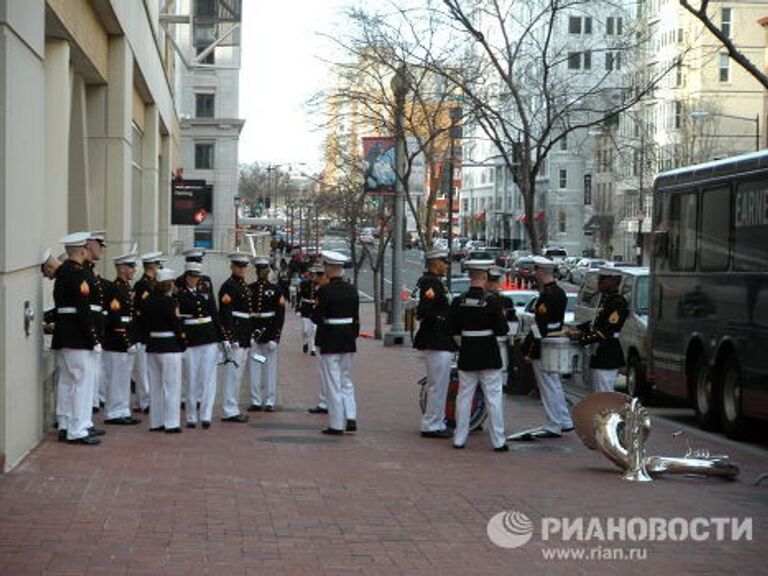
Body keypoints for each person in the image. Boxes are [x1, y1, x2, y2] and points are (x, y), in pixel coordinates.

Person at [447, 260, 509, 451]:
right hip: (489, 352)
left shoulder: (459, 301)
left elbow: (451, 328)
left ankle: (459, 437)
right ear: (484, 277)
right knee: (494, 397)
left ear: (470, 277)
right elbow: (502, 330)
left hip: (468, 352)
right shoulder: (492, 302)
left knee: (464, 397)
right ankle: (498, 440)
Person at [51, 232, 102, 445]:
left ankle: (65, 423)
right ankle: (78, 429)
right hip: (78, 338)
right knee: (82, 381)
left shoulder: (62, 272)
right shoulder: (78, 274)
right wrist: (93, 338)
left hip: (64, 335)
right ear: (82, 251)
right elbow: (83, 310)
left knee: (67, 380)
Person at [518, 257, 573, 439]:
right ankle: (564, 419)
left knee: (548, 385)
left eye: (536, 271)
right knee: (554, 384)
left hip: (545, 343)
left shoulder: (547, 296)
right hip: (554, 340)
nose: (534, 274)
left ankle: (554, 423)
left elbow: (540, 327)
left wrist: (531, 351)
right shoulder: (559, 292)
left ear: (541, 272)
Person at [312, 251, 359, 435]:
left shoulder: (324, 291)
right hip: (348, 338)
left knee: (332, 382)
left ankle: (336, 423)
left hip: (330, 338)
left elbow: (317, 317)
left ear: (330, 268)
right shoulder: (352, 289)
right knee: (346, 379)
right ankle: (351, 415)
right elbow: (356, 318)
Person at [413, 249, 457, 439]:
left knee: (439, 384)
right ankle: (431, 424)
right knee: (437, 385)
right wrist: (443, 318)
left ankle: (436, 421)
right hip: (436, 339)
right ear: (434, 263)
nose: (446, 266)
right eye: (443, 262)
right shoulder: (431, 284)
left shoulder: (436, 283)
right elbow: (423, 311)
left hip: (439, 339)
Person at [177, 261, 225, 429]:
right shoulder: (180, 293)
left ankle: (206, 415)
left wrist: (222, 338)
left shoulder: (205, 289)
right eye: (191, 276)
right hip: (190, 339)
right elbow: (179, 319)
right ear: (186, 277)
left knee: (208, 378)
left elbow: (214, 313)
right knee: (190, 379)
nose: (194, 279)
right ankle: (191, 416)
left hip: (208, 336)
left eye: (196, 276)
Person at [568, 267, 629, 392]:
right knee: (597, 393)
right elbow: (596, 323)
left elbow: (607, 331)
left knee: (604, 394)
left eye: (603, 279)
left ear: (613, 281)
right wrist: (579, 328)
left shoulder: (618, 303)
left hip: (608, 354)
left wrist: (582, 338)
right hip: (600, 354)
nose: (599, 282)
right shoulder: (606, 300)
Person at [142, 268, 185, 433]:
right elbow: (176, 324)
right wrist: (182, 343)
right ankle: (171, 422)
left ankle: (155, 421)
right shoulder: (170, 303)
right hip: (169, 346)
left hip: (153, 345)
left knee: (155, 386)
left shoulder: (147, 302)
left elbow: (143, 324)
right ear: (168, 285)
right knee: (172, 386)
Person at [102, 251, 141, 425]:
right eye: (131, 266)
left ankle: (123, 409)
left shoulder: (126, 287)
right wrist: (126, 340)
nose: (134, 269)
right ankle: (113, 412)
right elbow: (116, 318)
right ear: (121, 268)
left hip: (127, 337)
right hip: (117, 340)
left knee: (124, 377)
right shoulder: (115, 288)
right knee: (116, 378)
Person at [218, 251, 254, 423]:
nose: (241, 269)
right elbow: (226, 314)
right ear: (232, 266)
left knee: (238, 374)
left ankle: (233, 407)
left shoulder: (244, 286)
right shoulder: (228, 286)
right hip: (236, 334)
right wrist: (229, 337)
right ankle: (228, 409)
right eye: (238, 266)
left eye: (243, 266)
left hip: (245, 333)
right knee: (232, 373)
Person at [248, 255, 286, 412]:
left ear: (268, 270)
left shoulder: (276, 290)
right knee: (254, 367)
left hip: (269, 332)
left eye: (264, 269)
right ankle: (255, 400)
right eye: (258, 270)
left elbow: (280, 315)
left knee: (270, 369)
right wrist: (248, 335)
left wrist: (276, 337)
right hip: (254, 333)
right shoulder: (249, 289)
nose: (261, 272)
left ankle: (270, 400)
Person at [132, 252, 164, 413]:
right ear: (151, 266)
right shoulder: (143, 285)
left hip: (149, 331)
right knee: (143, 369)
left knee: (147, 368)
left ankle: (141, 400)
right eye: (158, 265)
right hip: (143, 331)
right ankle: (145, 401)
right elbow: (143, 309)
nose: (159, 268)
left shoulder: (153, 284)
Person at [84, 231, 108, 413]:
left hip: (93, 328)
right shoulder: (82, 271)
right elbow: (84, 307)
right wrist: (92, 334)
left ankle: (85, 420)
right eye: (100, 246)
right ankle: (79, 424)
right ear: (90, 246)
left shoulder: (89, 270)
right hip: (85, 331)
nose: (102, 250)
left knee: (90, 378)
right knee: (82, 380)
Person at [486, 266, 517, 387]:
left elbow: (511, 322)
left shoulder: (506, 301)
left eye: (495, 281)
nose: (493, 284)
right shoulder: (481, 299)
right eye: (491, 281)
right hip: (484, 342)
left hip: (501, 341)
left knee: (500, 377)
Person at [307, 264, 329, 414]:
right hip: (343, 340)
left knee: (324, 371)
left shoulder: (323, 292)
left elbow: (316, 316)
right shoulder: (347, 289)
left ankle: (325, 402)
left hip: (325, 336)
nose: (318, 279)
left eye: (321, 276)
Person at [297, 269, 317, 355]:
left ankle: (313, 348)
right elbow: (299, 296)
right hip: (306, 307)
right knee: (305, 329)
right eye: (311, 274)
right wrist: (298, 308)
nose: (312, 276)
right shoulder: (303, 284)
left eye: (314, 274)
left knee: (314, 329)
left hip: (315, 308)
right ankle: (305, 342)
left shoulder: (319, 285)